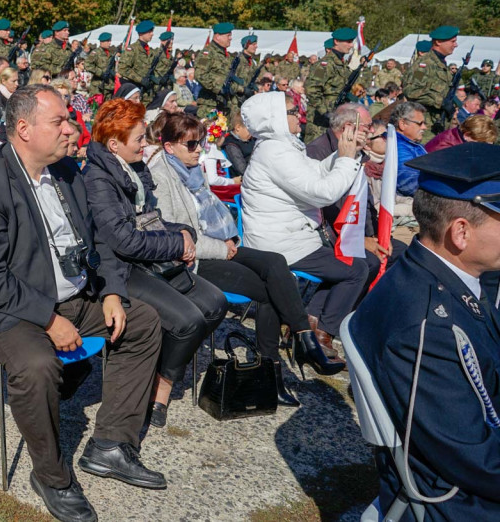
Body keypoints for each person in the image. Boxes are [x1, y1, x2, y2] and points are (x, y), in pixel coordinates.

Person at [0, 85, 165, 522]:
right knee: (36, 366)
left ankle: (110, 445)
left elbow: (101, 238)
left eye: (68, 119)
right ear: (24, 129)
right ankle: (51, 475)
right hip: (5, 308)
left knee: (142, 322)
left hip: (71, 294)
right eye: (60, 121)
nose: (71, 128)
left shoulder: (66, 171)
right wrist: (48, 320)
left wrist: (111, 292)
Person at [148, 110, 343, 406]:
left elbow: (212, 212)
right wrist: (220, 247)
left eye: (200, 142)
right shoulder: (161, 177)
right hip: (195, 259)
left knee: (277, 263)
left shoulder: (191, 170)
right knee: (269, 292)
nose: (199, 149)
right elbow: (177, 238)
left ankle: (303, 336)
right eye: (191, 145)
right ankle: (273, 373)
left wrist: (228, 240)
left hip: (222, 243)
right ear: (168, 147)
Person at [349, 143, 500, 521]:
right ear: (461, 233)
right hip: (460, 500)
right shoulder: (427, 325)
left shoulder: (439, 274)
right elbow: (474, 458)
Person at [82, 100, 227, 425]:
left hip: (147, 258)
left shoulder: (135, 168)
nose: (145, 144)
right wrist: (176, 243)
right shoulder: (98, 178)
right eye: (139, 139)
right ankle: (157, 388)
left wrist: (185, 232)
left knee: (215, 304)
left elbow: (151, 219)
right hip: (119, 269)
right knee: (189, 320)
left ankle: (161, 373)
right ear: (115, 144)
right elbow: (123, 240)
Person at [240, 91, 369, 359]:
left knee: (357, 264)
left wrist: (347, 151)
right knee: (356, 269)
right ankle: (319, 334)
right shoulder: (275, 151)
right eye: (291, 111)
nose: (300, 115)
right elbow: (321, 192)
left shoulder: (283, 146)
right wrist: (345, 159)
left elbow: (315, 172)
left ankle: (313, 326)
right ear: (274, 117)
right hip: (278, 243)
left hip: (293, 237)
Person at [306, 103, 406, 295]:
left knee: (400, 252)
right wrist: (361, 239)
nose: (371, 131)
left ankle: (365, 306)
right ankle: (323, 312)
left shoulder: (356, 150)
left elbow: (365, 201)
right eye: (367, 126)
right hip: (331, 230)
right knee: (368, 261)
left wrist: (376, 234)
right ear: (348, 128)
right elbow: (327, 206)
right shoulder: (317, 152)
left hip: (354, 227)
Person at [404, 25, 458, 134]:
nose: (455, 45)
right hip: (424, 128)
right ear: (438, 42)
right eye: (452, 41)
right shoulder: (423, 65)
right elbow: (412, 90)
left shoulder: (441, 64)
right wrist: (441, 102)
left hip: (438, 125)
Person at [392, 101, 429, 198]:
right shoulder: (398, 148)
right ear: (403, 124)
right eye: (420, 123)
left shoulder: (413, 144)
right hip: (411, 202)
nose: (424, 127)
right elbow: (409, 185)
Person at [426, 113, 498, 152]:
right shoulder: (446, 149)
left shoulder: (456, 138)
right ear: (467, 135)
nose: (484, 149)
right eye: (483, 144)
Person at [221, 112, 253, 177]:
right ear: (238, 127)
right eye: (249, 129)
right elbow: (242, 169)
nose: (252, 132)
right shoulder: (231, 145)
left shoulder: (251, 139)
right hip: (247, 179)